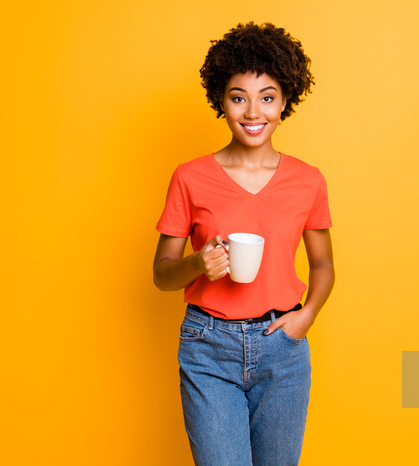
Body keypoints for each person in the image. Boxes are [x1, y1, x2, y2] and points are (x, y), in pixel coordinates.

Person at [153, 22, 334, 466]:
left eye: (267, 97)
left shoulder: (307, 180)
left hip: (282, 349)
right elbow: (161, 274)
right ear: (222, 101)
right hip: (207, 345)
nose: (253, 111)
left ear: (284, 102)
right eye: (239, 97)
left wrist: (305, 317)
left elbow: (324, 265)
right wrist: (198, 263)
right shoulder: (189, 177)